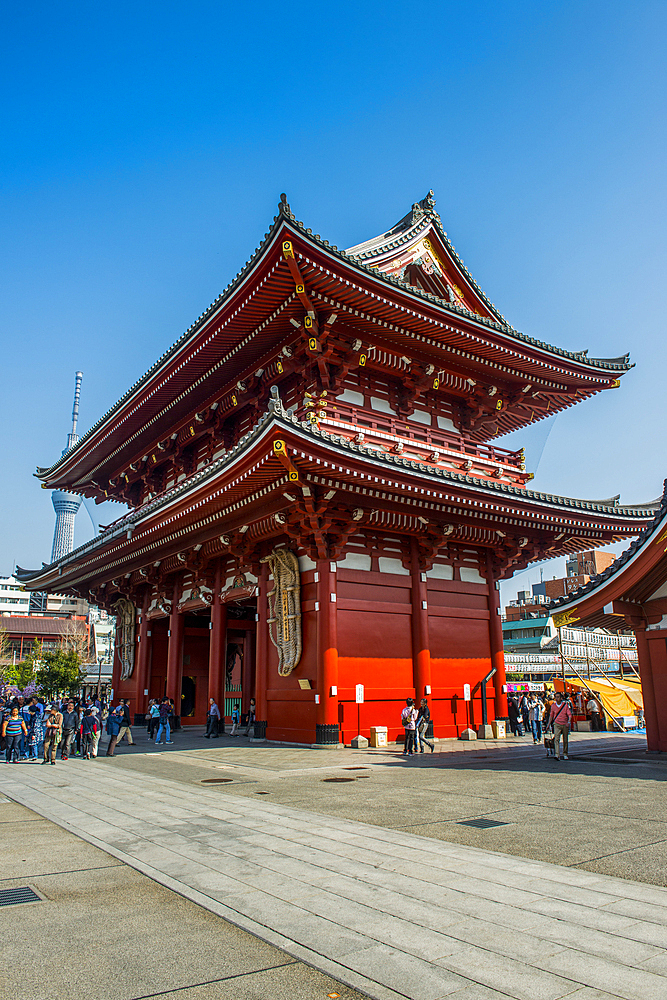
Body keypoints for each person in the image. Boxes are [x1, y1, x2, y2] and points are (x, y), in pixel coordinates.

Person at [548, 691, 573, 760]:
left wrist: (568, 722)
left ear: (561, 698)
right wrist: (548, 724)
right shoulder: (553, 706)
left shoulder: (565, 705)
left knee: (565, 739)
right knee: (556, 739)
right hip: (556, 723)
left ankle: (565, 753)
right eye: (555, 697)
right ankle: (557, 754)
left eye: (558, 697)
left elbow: (569, 714)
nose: (556, 698)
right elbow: (551, 715)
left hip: (564, 723)